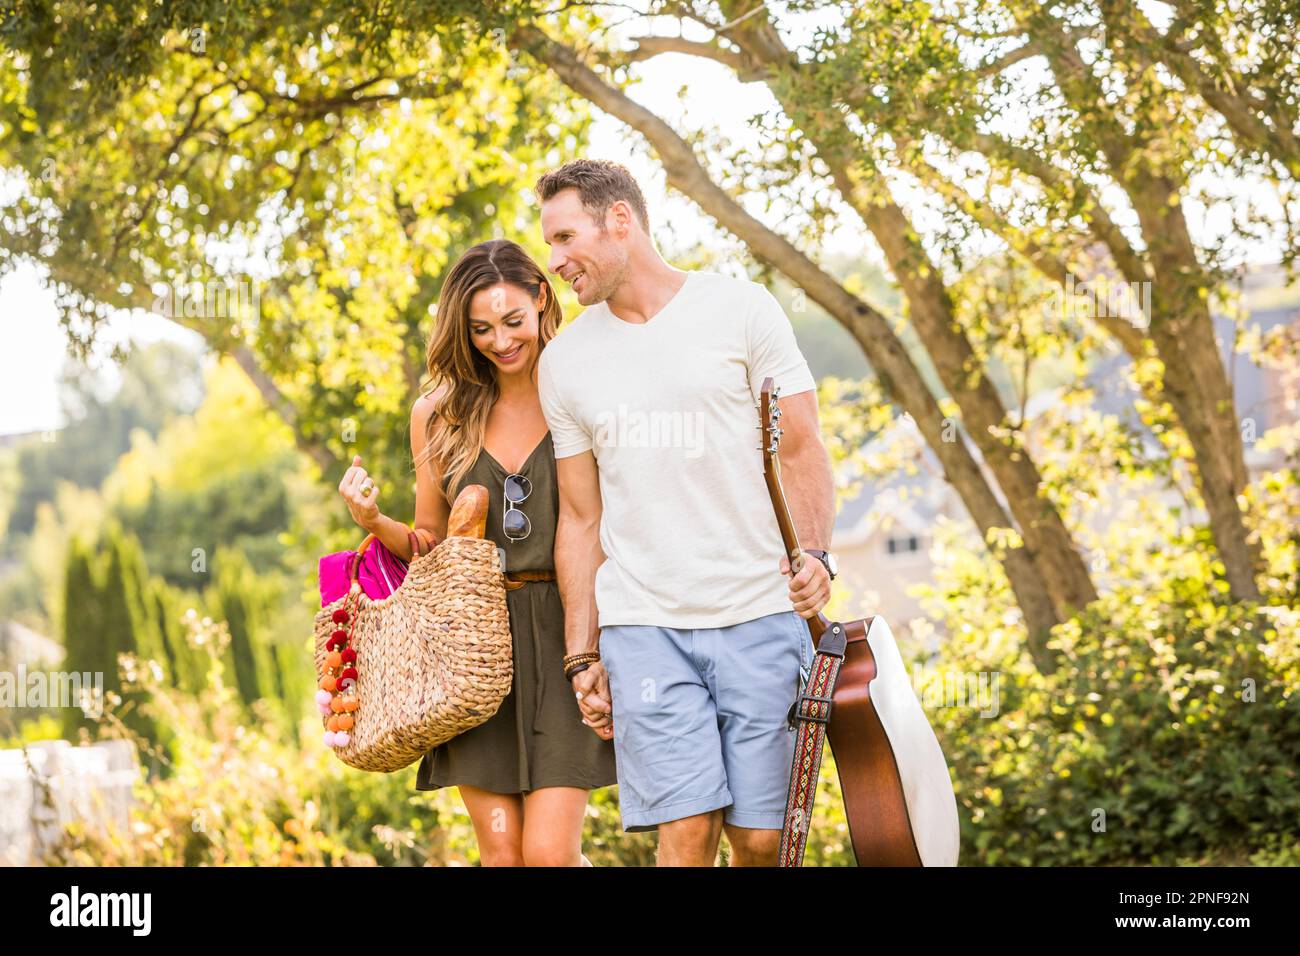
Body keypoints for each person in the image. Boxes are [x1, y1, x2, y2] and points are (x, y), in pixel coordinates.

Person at [535, 159, 838, 866]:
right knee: (688, 830)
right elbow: (580, 521)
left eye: (565, 237)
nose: (554, 262)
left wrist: (817, 556)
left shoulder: (741, 310)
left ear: (620, 220)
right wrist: (585, 652)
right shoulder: (566, 362)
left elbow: (802, 450)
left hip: (761, 610)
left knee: (762, 841)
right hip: (645, 629)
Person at [337, 238, 617, 866]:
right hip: (471, 647)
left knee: (548, 853)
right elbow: (429, 546)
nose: (501, 341)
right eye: (482, 329)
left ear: (542, 298)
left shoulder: (582, 387)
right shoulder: (439, 413)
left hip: (569, 634)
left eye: (513, 321)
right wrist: (372, 518)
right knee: (500, 848)